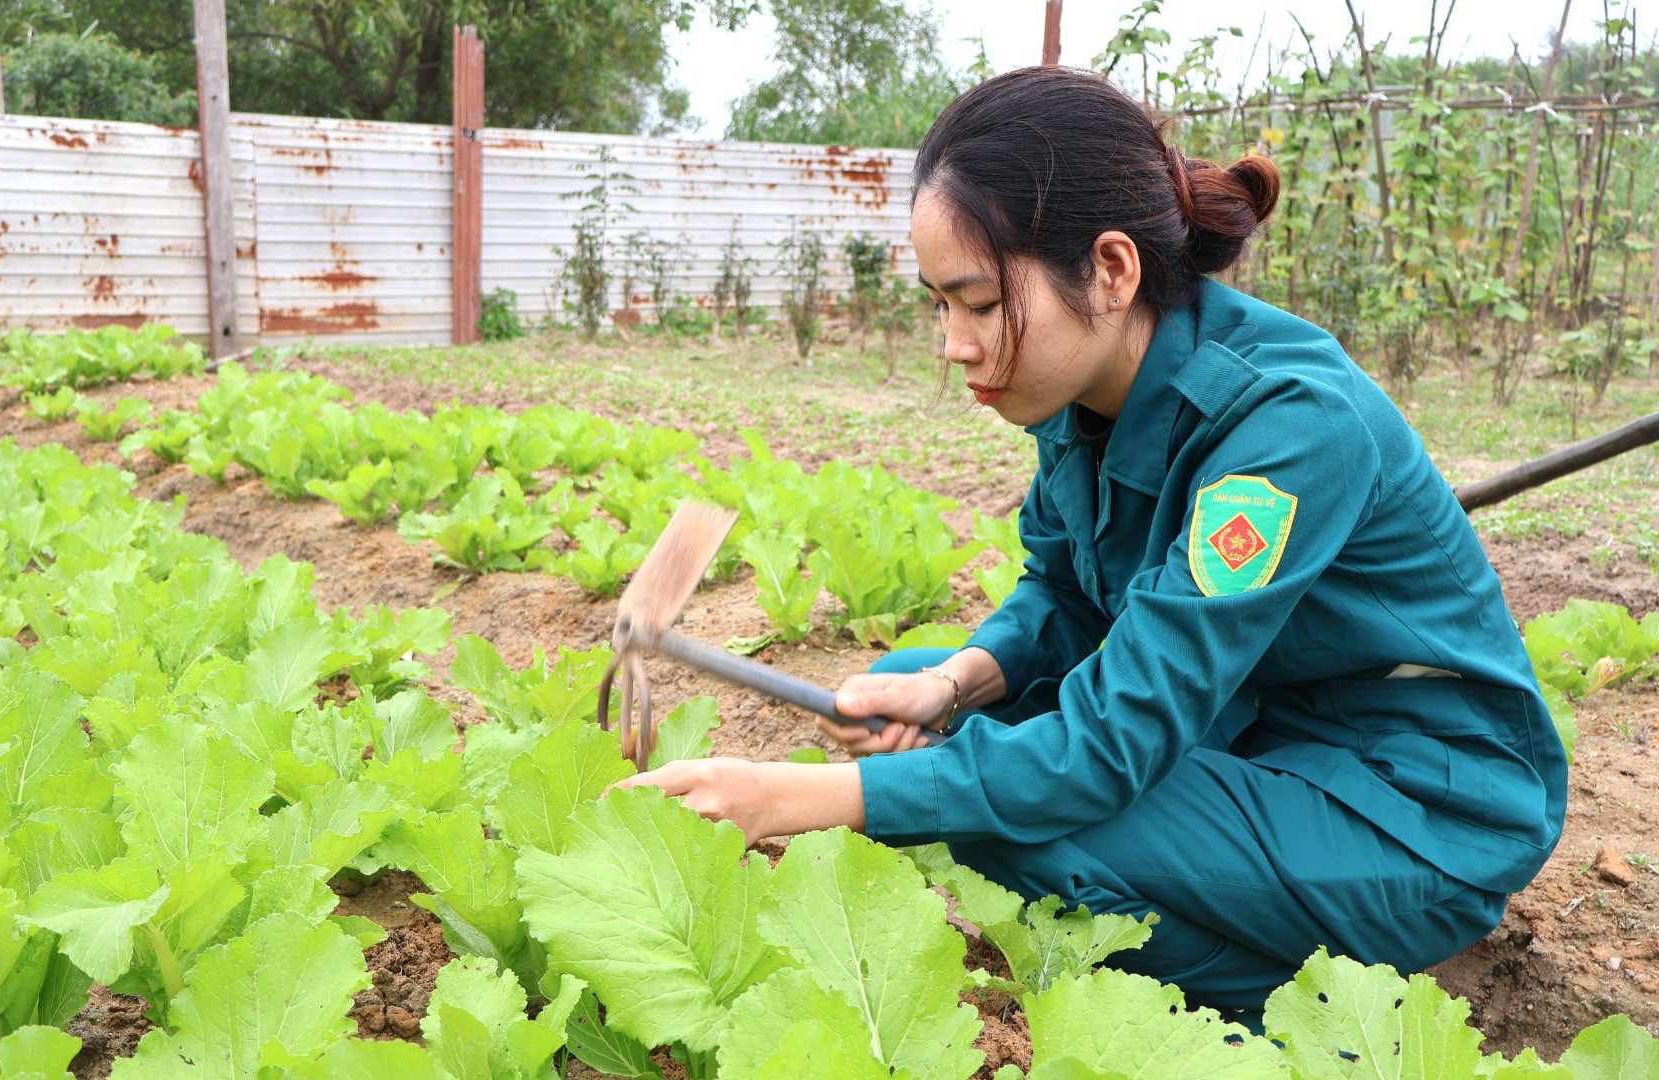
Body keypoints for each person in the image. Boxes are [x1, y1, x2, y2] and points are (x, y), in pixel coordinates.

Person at [616, 67, 1566, 1015]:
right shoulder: (1081, 392)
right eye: (940, 304)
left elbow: (1113, 742)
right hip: (1259, 723)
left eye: (981, 303)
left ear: (1111, 270)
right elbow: (1067, 592)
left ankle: (1307, 1001)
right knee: (924, 699)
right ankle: (1239, 917)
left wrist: (794, 798)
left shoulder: (1288, 426)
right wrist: (953, 682)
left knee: (1019, 825)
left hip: (1413, 803)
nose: (954, 343)